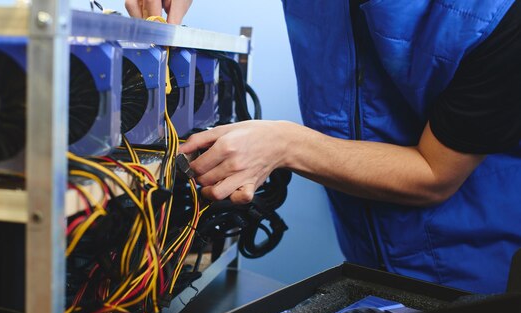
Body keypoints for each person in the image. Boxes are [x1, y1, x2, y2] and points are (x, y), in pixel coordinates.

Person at [127, 0, 521, 294]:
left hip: (473, 271)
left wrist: (286, 144)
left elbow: (435, 174)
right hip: (365, 256)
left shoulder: (496, 15)